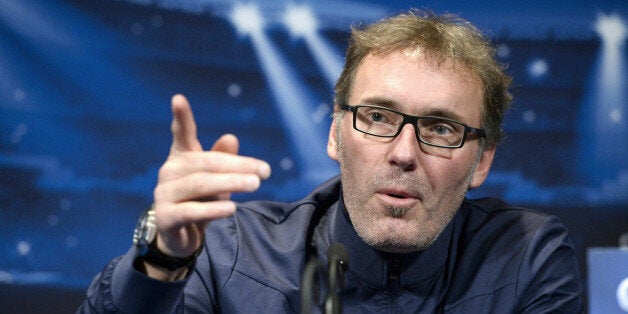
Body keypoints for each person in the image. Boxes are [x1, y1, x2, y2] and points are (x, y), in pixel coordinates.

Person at [79, 10, 582, 313]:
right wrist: (164, 257)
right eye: (378, 117)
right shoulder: (229, 253)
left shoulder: (528, 256)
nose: (404, 153)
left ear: (481, 162)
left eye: (441, 128)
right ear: (336, 135)